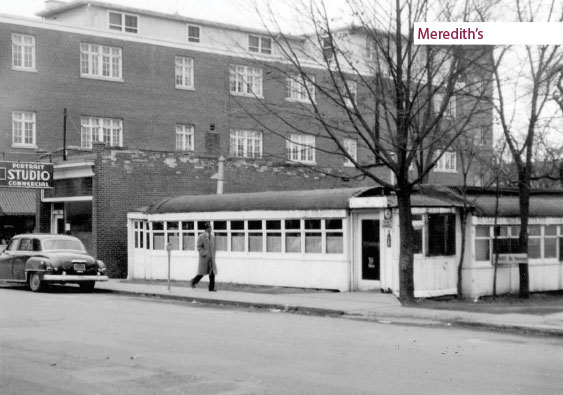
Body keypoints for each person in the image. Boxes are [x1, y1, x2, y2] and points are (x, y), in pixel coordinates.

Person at [190, 221, 217, 291]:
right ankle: (193, 281)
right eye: (209, 227)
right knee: (202, 273)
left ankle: (211, 288)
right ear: (206, 229)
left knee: (212, 273)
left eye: (211, 227)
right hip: (204, 258)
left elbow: (214, 247)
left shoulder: (213, 237)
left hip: (211, 258)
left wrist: (214, 254)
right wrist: (203, 253)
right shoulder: (201, 236)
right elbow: (199, 247)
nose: (211, 229)